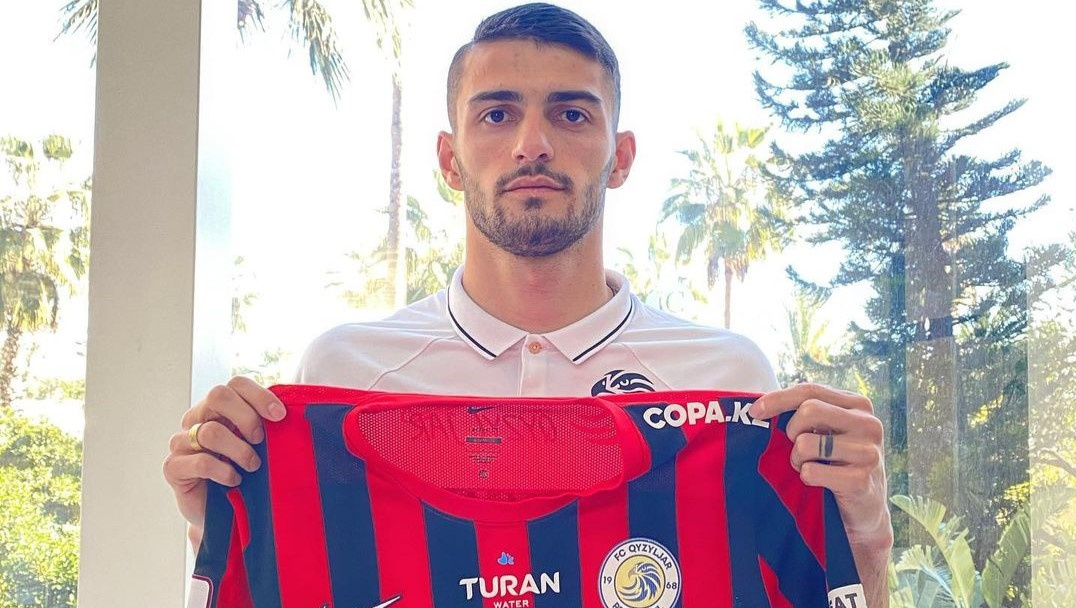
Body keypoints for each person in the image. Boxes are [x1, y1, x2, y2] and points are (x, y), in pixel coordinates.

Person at [163, 3, 892, 606]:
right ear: (449, 159)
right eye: (496, 115)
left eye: (571, 114)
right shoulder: (344, 369)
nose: (532, 144)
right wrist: (223, 521)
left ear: (620, 156)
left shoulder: (731, 385)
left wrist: (866, 536)